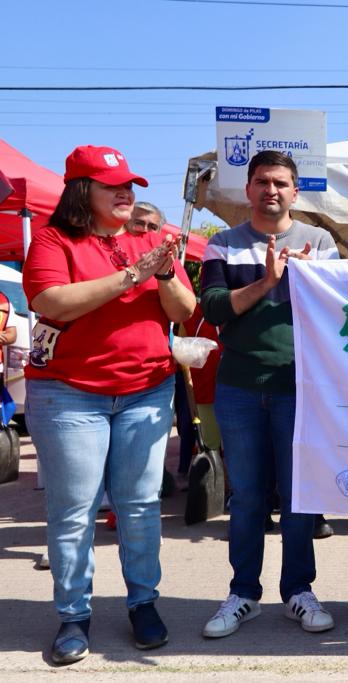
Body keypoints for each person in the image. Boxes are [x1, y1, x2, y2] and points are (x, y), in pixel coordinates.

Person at [23, 145, 196, 664]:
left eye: (130, 185)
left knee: (140, 507)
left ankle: (144, 602)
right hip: (69, 394)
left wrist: (163, 274)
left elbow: (186, 311)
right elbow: (49, 302)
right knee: (73, 510)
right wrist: (131, 275)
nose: (126, 193)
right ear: (81, 191)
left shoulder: (155, 240)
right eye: (111, 185)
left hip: (146, 390)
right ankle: (74, 615)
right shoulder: (55, 240)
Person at [199, 150, 339, 639]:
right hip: (238, 389)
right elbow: (215, 309)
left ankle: (298, 591)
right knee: (248, 498)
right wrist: (268, 281)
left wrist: (302, 280)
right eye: (262, 181)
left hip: (299, 389)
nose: (271, 190)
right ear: (248, 189)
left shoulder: (319, 242)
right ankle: (243, 594)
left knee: (300, 496)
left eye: (281, 182)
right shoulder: (222, 244)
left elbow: (338, 311)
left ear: (296, 191)